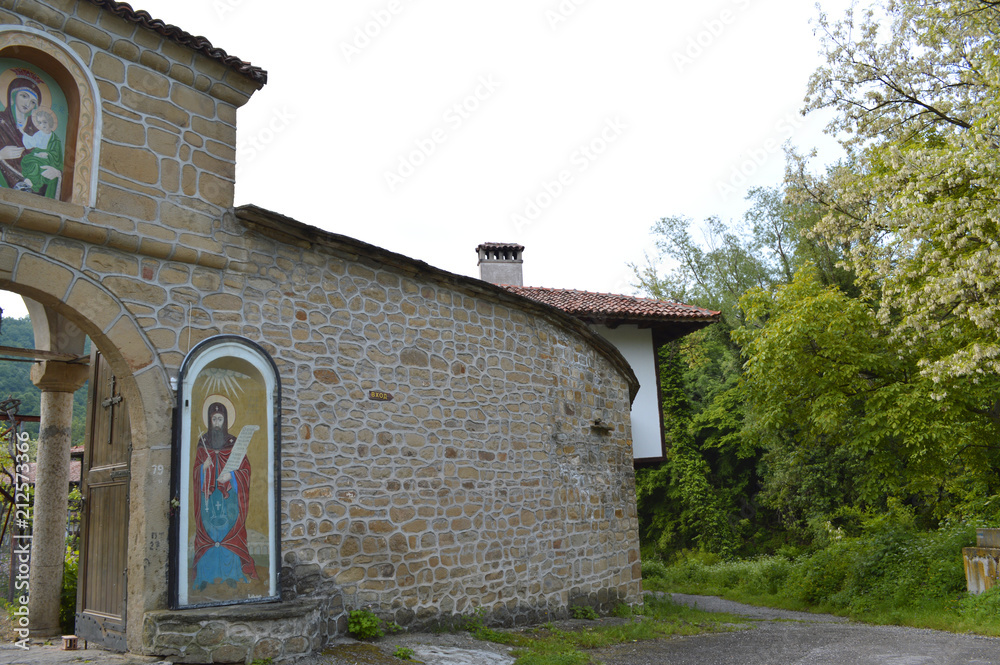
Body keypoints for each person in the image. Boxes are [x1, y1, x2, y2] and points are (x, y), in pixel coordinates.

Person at [191, 401, 257, 591]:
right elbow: (195, 471)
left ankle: (231, 574)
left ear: (225, 420)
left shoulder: (233, 443)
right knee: (209, 530)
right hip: (208, 498)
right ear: (209, 420)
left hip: (228, 498)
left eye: (220, 419)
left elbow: (245, 469)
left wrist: (232, 476)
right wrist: (203, 468)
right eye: (214, 419)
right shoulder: (203, 442)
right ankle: (205, 575)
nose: (217, 422)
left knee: (228, 530)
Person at [0, 72, 61, 194]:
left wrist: (57, 173)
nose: (28, 104)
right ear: (13, 96)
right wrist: (1, 154)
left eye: (33, 102)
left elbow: (53, 156)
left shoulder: (39, 129)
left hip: (35, 184)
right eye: (24, 96)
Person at [19, 106, 62, 197]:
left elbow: (57, 155)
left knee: (38, 166)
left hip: (47, 159)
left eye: (45, 122)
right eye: (40, 123)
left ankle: (31, 183)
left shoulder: (55, 139)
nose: (43, 125)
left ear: (50, 122)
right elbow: (31, 142)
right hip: (37, 154)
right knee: (27, 160)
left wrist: (47, 154)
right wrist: (23, 132)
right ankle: (28, 181)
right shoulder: (39, 134)